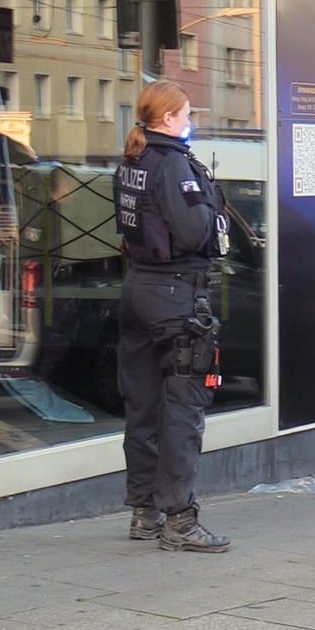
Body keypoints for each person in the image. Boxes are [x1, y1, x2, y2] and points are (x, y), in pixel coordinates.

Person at [113, 80, 231, 552]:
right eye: (185, 115)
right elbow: (193, 232)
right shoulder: (174, 164)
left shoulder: (133, 161)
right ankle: (179, 517)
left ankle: (144, 510)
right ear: (168, 119)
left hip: (138, 287)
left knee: (142, 404)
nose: (190, 122)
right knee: (184, 404)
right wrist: (213, 217)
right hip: (176, 293)